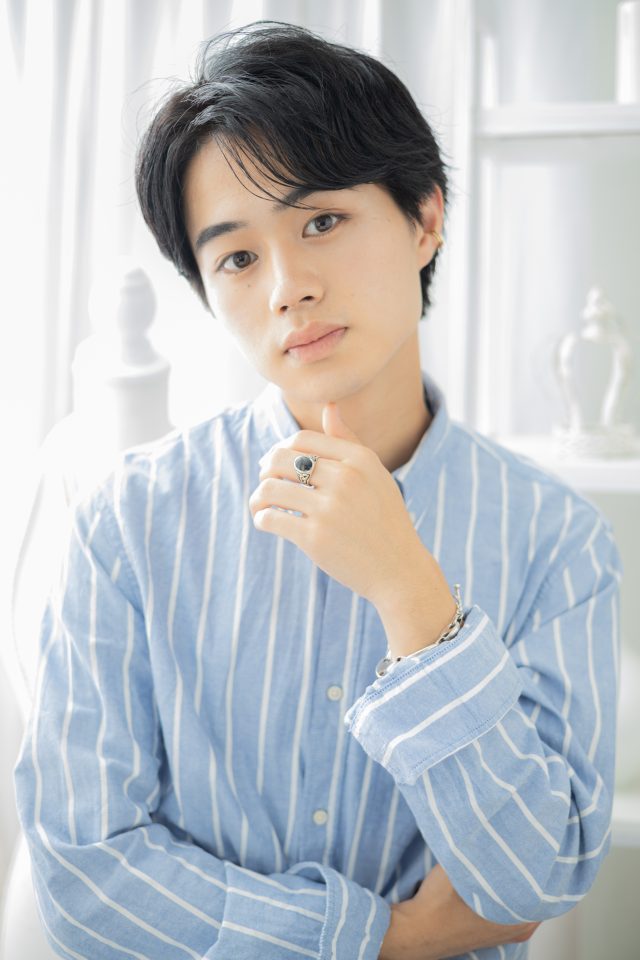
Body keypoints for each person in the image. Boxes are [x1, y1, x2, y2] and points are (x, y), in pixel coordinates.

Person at [15, 20, 621, 960]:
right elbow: (85, 874)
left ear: (425, 219)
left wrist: (412, 594)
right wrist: (383, 940)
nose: (288, 287)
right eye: (237, 258)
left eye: (322, 222)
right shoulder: (128, 521)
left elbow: (538, 878)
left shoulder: (556, 537)